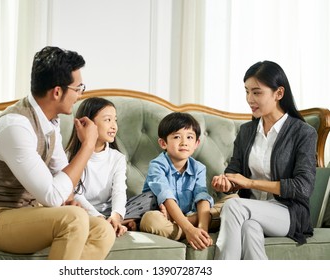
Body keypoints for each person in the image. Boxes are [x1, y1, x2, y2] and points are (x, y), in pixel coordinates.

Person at [0, 46, 115, 260]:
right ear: (57, 91)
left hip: (28, 213)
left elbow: (63, 174)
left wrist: (69, 199)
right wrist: (88, 145)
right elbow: (53, 196)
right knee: (73, 219)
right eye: (78, 88)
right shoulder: (15, 126)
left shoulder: (50, 122)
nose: (80, 95)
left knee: (102, 230)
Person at [211, 60, 317, 260]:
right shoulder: (246, 132)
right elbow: (234, 172)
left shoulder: (303, 133)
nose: (250, 99)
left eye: (257, 92)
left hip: (288, 213)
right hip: (253, 211)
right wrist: (225, 183)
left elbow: (303, 187)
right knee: (249, 229)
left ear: (278, 93)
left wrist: (250, 182)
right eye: (246, 91)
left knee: (233, 206)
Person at [140, 112, 214, 250]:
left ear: (197, 143)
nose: (184, 142)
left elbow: (202, 197)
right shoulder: (157, 165)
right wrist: (189, 230)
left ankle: (190, 229)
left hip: (189, 215)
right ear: (163, 143)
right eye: (177, 137)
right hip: (163, 217)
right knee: (150, 220)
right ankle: (188, 230)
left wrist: (203, 229)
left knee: (230, 204)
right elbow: (166, 196)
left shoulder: (199, 168)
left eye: (189, 137)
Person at [65, 97, 129, 237]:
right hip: (83, 211)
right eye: (107, 120)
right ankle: (118, 224)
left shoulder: (117, 158)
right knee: (67, 207)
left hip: (108, 210)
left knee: (147, 200)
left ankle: (118, 222)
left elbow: (119, 191)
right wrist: (99, 219)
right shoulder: (70, 156)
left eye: (115, 120)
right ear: (88, 123)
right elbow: (75, 194)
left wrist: (115, 216)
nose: (114, 126)